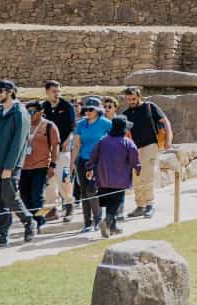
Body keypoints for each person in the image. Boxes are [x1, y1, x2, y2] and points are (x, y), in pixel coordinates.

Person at [0, 81, 34, 247]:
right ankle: (0, 233)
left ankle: (28, 220)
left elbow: (18, 142)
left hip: (10, 163)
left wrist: (9, 166)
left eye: (0, 91)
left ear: (10, 92)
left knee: (9, 196)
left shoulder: (20, 113)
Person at [121, 87, 170, 219]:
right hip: (134, 148)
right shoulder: (126, 114)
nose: (131, 101)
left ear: (139, 97)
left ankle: (149, 204)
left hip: (150, 145)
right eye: (129, 99)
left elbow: (165, 122)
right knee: (136, 176)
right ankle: (140, 205)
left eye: (133, 98)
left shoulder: (150, 107)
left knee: (147, 174)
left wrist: (168, 139)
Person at [88, 117, 140, 238]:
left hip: (103, 177)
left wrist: (89, 167)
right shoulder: (127, 142)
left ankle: (112, 227)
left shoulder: (103, 141)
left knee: (108, 202)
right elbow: (134, 157)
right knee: (116, 203)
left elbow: (93, 156)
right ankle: (107, 221)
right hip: (119, 179)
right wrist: (137, 167)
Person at [66, 97, 110, 233]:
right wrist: (72, 163)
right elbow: (77, 145)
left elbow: (114, 141)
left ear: (98, 110)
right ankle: (87, 223)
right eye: (86, 109)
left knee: (92, 190)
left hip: (99, 161)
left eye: (91, 109)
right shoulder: (81, 124)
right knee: (84, 192)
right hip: (83, 161)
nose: (88, 112)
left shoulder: (106, 123)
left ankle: (98, 220)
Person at [20, 101, 60, 231]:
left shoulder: (49, 126)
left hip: (41, 166)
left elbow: (55, 147)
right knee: (24, 196)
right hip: (23, 167)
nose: (29, 115)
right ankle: (30, 222)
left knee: (37, 196)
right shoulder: (23, 125)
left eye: (32, 112)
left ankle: (40, 221)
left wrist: (53, 165)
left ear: (40, 112)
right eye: (28, 112)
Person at [42, 81, 77, 220]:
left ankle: (69, 205)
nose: (56, 93)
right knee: (49, 181)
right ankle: (51, 209)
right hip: (47, 151)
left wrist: (69, 139)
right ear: (47, 92)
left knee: (65, 178)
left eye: (58, 91)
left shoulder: (66, 106)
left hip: (63, 150)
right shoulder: (43, 107)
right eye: (53, 91)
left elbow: (73, 127)